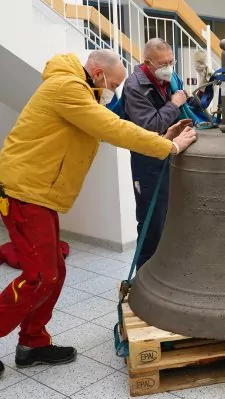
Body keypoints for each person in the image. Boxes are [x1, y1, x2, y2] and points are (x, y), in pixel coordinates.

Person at [0, 49, 197, 374]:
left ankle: (32, 344)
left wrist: (162, 136)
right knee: (39, 276)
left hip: (37, 194)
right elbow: (111, 128)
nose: (113, 91)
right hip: (24, 193)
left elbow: (110, 124)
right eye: (112, 84)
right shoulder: (67, 88)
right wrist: (169, 147)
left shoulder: (80, 90)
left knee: (54, 273)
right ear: (96, 70)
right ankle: (30, 341)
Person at [122, 38, 209, 270]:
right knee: (152, 220)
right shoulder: (134, 87)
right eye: (163, 63)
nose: (168, 67)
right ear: (147, 63)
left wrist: (204, 87)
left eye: (171, 61)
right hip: (148, 162)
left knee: (172, 216)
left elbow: (191, 104)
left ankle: (167, 272)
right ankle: (143, 277)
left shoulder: (172, 78)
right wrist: (173, 103)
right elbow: (150, 126)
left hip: (174, 154)